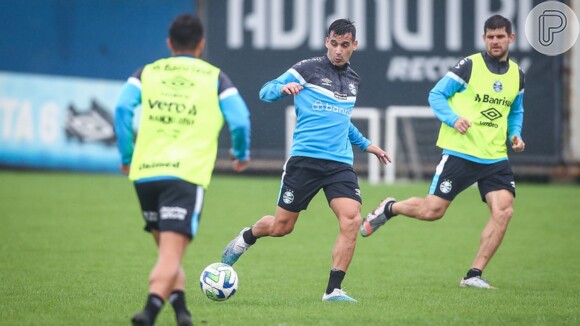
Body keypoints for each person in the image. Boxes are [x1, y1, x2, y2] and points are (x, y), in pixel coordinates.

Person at [220, 18, 391, 302]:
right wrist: (281, 89)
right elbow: (265, 91)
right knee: (281, 227)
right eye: (333, 44)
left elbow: (341, 121)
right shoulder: (306, 69)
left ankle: (333, 290)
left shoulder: (353, 80)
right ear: (327, 42)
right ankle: (248, 236)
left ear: (354, 46)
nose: (338, 50)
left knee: (351, 219)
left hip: (339, 164)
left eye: (344, 45)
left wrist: (367, 145)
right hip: (305, 161)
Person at [361, 15, 525, 289]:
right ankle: (390, 208)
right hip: (461, 152)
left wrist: (515, 134)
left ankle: (473, 274)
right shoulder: (470, 66)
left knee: (504, 211)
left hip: (495, 157)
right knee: (432, 211)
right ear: (484, 38)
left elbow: (515, 110)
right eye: (490, 36)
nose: (495, 41)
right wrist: (453, 119)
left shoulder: (517, 74)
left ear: (511, 38)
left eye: (500, 36)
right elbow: (436, 94)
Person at [114, 14, 251, 326]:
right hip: (184, 176)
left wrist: (126, 155)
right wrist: (240, 154)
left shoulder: (147, 72)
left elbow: (122, 108)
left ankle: (182, 312)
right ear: (201, 44)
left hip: (145, 173)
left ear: (169, 44)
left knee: (167, 252)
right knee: (170, 256)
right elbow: (240, 119)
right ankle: (149, 312)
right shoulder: (215, 77)